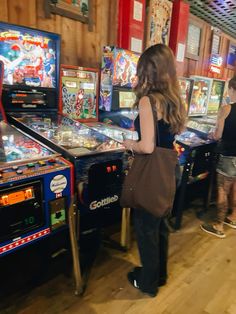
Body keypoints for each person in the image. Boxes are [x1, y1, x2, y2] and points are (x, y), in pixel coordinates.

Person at [122, 44, 186, 297]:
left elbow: (147, 146)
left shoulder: (149, 101)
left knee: (146, 229)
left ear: (150, 70)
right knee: (160, 226)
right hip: (170, 170)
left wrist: (129, 144)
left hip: (152, 173)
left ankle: (147, 282)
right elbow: (168, 137)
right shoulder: (174, 99)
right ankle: (160, 275)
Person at [201, 76, 236, 238]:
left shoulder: (226, 109)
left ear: (232, 89)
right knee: (235, 188)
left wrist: (211, 133)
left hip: (228, 155)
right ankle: (233, 217)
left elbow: (217, 135)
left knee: (222, 189)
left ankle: (219, 226)